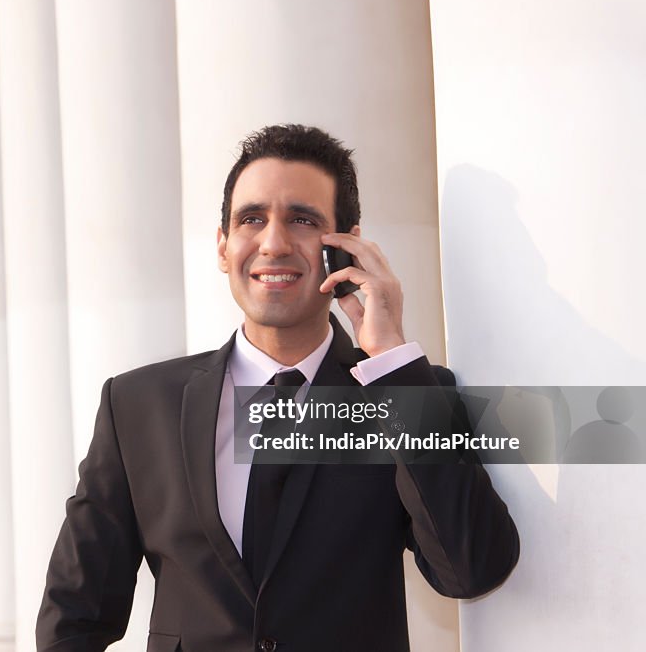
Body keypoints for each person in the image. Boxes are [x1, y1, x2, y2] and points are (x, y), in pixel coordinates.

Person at [37, 124, 519, 652]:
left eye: (303, 220)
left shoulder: (407, 396)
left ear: (346, 247)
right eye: (251, 219)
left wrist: (392, 359)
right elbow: (74, 616)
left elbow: (471, 570)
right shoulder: (138, 405)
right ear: (223, 246)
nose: (273, 242)